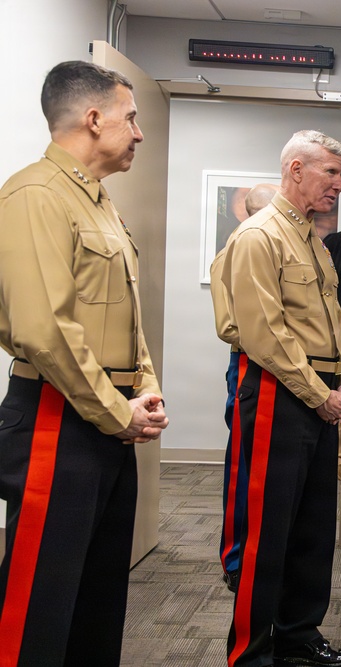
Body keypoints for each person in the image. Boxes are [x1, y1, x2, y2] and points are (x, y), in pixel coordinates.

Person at [0, 60, 168, 666]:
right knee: (40, 603)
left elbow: (125, 316)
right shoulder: (36, 195)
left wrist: (144, 388)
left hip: (105, 416)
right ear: (94, 119)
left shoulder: (98, 203)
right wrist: (117, 412)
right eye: (131, 117)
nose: (139, 132)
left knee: (96, 596)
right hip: (57, 415)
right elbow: (44, 330)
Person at [219, 130, 341, 667]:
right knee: (266, 531)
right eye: (331, 172)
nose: (339, 184)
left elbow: (336, 323)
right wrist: (320, 394)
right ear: (296, 169)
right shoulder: (260, 236)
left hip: (318, 395)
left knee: (312, 527)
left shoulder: (313, 241)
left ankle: (298, 637)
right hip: (277, 392)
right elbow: (265, 334)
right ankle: (251, 654)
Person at [210, 181, 279, 592]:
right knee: (243, 464)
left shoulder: (277, 248)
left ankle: (262, 553)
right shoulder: (235, 250)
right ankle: (234, 559)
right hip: (249, 363)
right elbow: (230, 326)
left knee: (268, 468)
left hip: (279, 365)